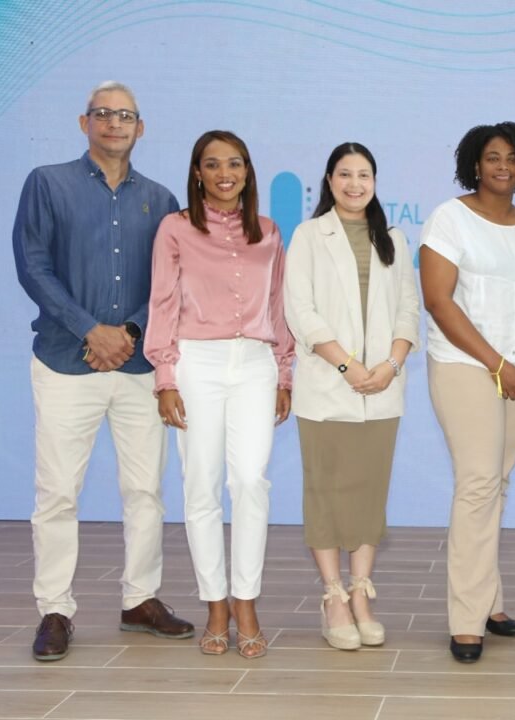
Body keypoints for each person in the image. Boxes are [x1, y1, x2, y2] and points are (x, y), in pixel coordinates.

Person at [12, 81, 194, 662]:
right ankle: (55, 610)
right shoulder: (47, 183)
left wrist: (130, 334)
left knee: (145, 491)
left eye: (126, 116)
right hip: (67, 363)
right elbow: (33, 265)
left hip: (140, 367)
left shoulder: (162, 200)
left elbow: (172, 283)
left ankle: (140, 599)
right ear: (83, 121)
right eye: (103, 114)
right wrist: (91, 330)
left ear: (141, 128)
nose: (114, 123)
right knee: (58, 494)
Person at [145, 130, 293, 659]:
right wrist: (165, 377)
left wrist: (284, 373)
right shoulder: (175, 229)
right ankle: (215, 605)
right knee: (201, 486)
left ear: (248, 172)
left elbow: (278, 306)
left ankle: (246, 601)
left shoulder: (271, 233)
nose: (224, 173)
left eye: (234, 163)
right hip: (196, 364)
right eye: (212, 164)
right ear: (198, 173)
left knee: (250, 481)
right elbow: (162, 302)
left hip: (254, 363)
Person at [420, 122, 515, 663]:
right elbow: (439, 301)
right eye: (491, 157)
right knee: (478, 483)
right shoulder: (449, 219)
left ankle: (490, 601)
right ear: (474, 165)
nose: (502, 165)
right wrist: (498, 364)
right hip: (466, 367)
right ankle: (466, 620)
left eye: (513, 158)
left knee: (495, 484)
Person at [283, 142, 419, 652]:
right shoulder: (307, 236)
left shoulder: (395, 240)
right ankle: (333, 596)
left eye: (364, 175)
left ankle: (362, 595)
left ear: (376, 182)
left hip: (382, 390)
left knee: (368, 493)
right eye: (345, 174)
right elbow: (302, 311)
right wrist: (348, 365)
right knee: (325, 491)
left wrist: (390, 365)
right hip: (327, 388)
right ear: (329, 179)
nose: (355, 184)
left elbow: (409, 309)